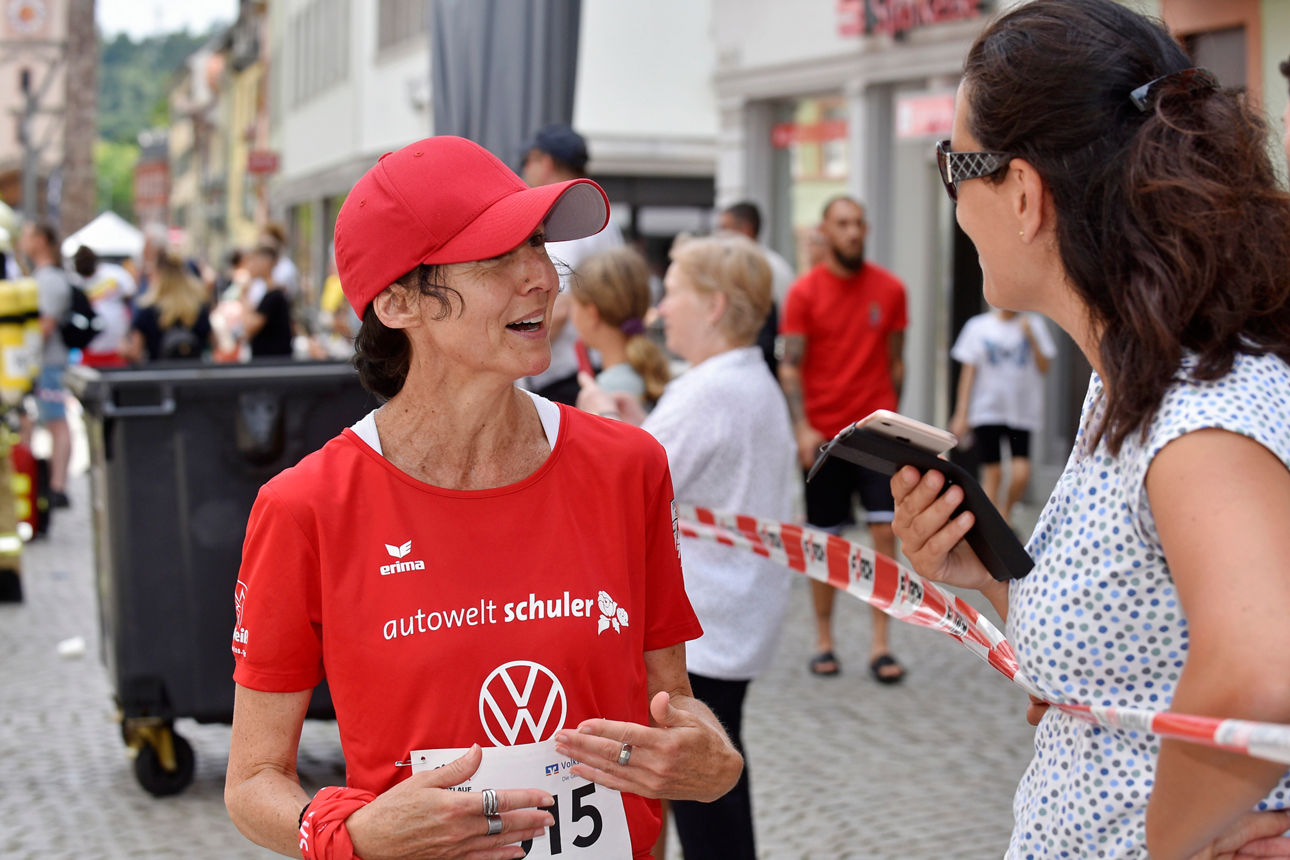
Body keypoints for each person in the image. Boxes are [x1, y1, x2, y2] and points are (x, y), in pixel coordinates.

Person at [224, 136, 743, 860]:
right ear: (399, 299)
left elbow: (670, 702)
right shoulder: (306, 506)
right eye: (499, 255)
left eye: (537, 245)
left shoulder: (630, 467)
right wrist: (354, 835)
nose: (541, 276)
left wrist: (710, 754)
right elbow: (251, 780)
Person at [892, 2, 1290, 857]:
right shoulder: (1131, 380)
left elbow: (1261, 669)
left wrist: (1168, 845)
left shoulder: (1196, 407)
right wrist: (991, 579)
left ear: (1025, 193)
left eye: (953, 167)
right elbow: (1135, 642)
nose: (957, 205)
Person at [579, 233, 796, 860]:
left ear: (715, 306)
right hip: (732, 610)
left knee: (705, 792)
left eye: (671, 294)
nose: (658, 310)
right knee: (715, 786)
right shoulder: (738, 379)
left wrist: (598, 415)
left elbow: (632, 482)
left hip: (706, 622)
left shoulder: (711, 389)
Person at [778, 195, 908, 683]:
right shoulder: (804, 293)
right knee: (825, 541)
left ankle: (881, 644)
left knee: (882, 534)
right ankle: (824, 639)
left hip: (875, 434)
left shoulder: (891, 289)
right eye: (843, 224)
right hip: (824, 437)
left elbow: (897, 361)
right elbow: (790, 366)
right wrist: (802, 426)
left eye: (859, 223)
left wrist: (895, 424)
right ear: (825, 232)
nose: (854, 232)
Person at [519, 123, 624, 405]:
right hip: (594, 365)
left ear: (546, 161)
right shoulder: (600, 216)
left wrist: (515, 361)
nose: (524, 171)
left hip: (570, 376)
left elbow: (559, 308)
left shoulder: (567, 217)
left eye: (527, 161)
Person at [948, 308, 1056, 524]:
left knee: (1021, 473)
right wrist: (962, 413)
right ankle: (991, 526)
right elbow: (968, 372)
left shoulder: (1033, 324)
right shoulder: (978, 326)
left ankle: (1004, 515)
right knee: (993, 473)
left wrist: (1031, 337)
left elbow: (1045, 366)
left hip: (1022, 412)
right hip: (987, 411)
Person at [569, 247, 670, 408]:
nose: (571, 316)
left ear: (591, 314)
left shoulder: (603, 394)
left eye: (572, 305)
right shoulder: (648, 374)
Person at [17, 222, 72, 510]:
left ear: (41, 240)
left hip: (48, 363)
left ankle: (57, 485)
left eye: (27, 236)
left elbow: (45, 325)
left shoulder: (48, 279)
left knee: (56, 422)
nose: (22, 242)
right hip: (45, 363)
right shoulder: (44, 276)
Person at [718, 201, 793, 377]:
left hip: (763, 364)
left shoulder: (771, 268)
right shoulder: (772, 265)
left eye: (724, 228)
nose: (720, 236)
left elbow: (785, 323)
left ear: (746, 230)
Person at [122, 251, 211, 362]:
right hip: (194, 373)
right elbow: (213, 344)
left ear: (157, 274)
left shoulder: (147, 310)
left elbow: (135, 353)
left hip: (158, 374)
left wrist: (123, 348)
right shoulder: (199, 307)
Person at [71, 245, 135, 368]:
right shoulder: (77, 281)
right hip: (90, 349)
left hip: (117, 348)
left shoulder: (115, 274)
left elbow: (130, 297)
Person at [240, 244, 294, 359]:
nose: (250, 266)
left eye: (254, 261)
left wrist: (244, 294)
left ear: (266, 262)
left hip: (272, 365)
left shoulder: (274, 296)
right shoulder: (270, 293)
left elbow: (249, 327)